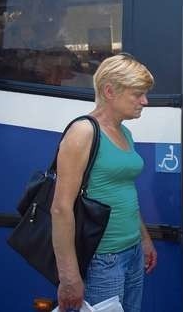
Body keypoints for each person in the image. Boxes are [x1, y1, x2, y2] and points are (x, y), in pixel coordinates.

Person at [51, 54, 157, 312]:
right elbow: (61, 208)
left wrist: (144, 239)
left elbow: (124, 190)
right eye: (137, 94)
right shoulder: (83, 132)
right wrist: (69, 277)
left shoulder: (124, 131)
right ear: (110, 91)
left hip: (131, 252)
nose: (145, 101)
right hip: (103, 259)